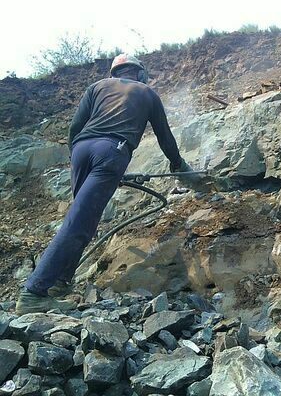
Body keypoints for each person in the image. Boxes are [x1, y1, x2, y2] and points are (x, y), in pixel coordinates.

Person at [16, 54, 192, 315]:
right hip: (112, 151)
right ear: (140, 74)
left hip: (81, 151)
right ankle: (33, 293)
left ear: (114, 73)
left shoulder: (97, 87)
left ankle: (60, 284)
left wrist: (81, 157)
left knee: (80, 217)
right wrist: (178, 165)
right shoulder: (147, 92)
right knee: (80, 223)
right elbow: (165, 138)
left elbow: (75, 127)